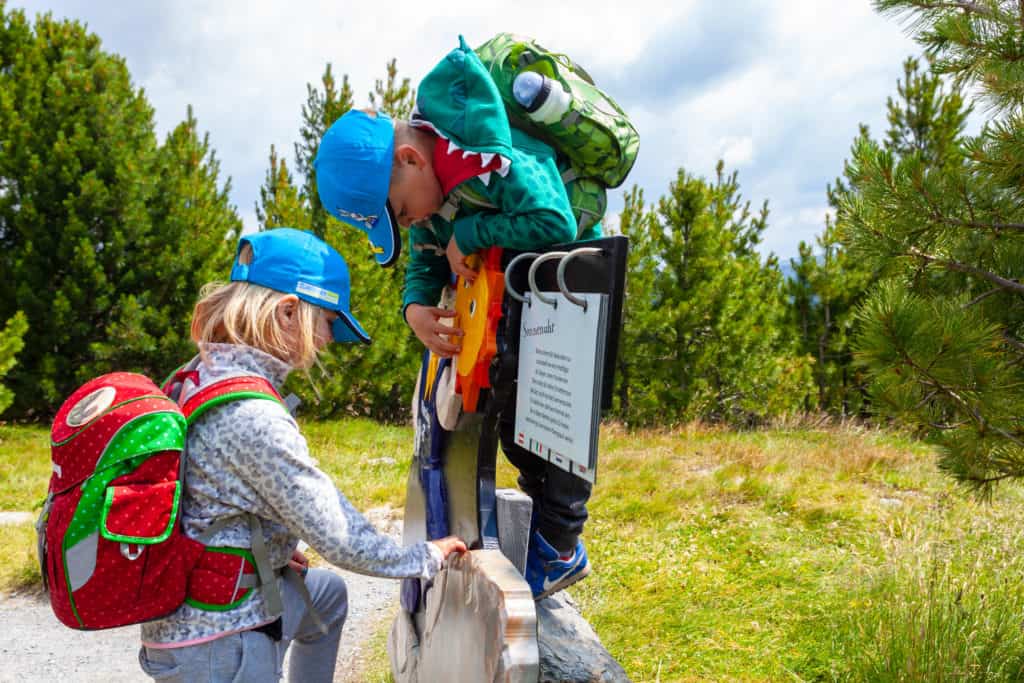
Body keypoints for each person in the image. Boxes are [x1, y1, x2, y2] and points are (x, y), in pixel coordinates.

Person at [314, 36, 596, 600]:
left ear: (411, 158)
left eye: (398, 210)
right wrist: (414, 306)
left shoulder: (491, 158)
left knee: (545, 417)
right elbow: (424, 253)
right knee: (511, 414)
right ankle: (545, 536)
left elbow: (555, 220)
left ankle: (560, 545)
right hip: (509, 298)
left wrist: (469, 233)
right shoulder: (431, 189)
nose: (409, 221)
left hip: (561, 290)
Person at [137, 227, 466, 682]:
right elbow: (339, 537)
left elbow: (212, 494)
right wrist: (425, 557)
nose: (328, 340)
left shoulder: (200, 374)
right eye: (328, 321)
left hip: (188, 609)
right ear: (289, 312)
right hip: (217, 640)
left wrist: (269, 550)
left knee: (325, 595)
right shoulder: (251, 415)